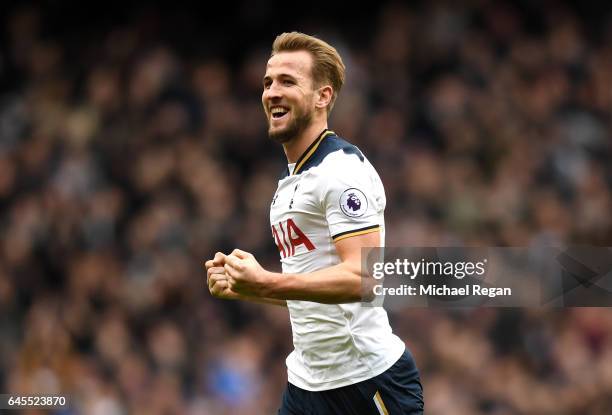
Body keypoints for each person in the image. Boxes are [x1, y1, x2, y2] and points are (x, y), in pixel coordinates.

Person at [204, 32, 423, 414]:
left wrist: (267, 281)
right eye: (268, 82)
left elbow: (364, 278)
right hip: (307, 385)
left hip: (365, 381)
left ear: (323, 96)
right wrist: (249, 288)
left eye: (288, 81)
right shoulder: (289, 184)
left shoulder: (340, 171)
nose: (272, 91)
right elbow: (311, 293)